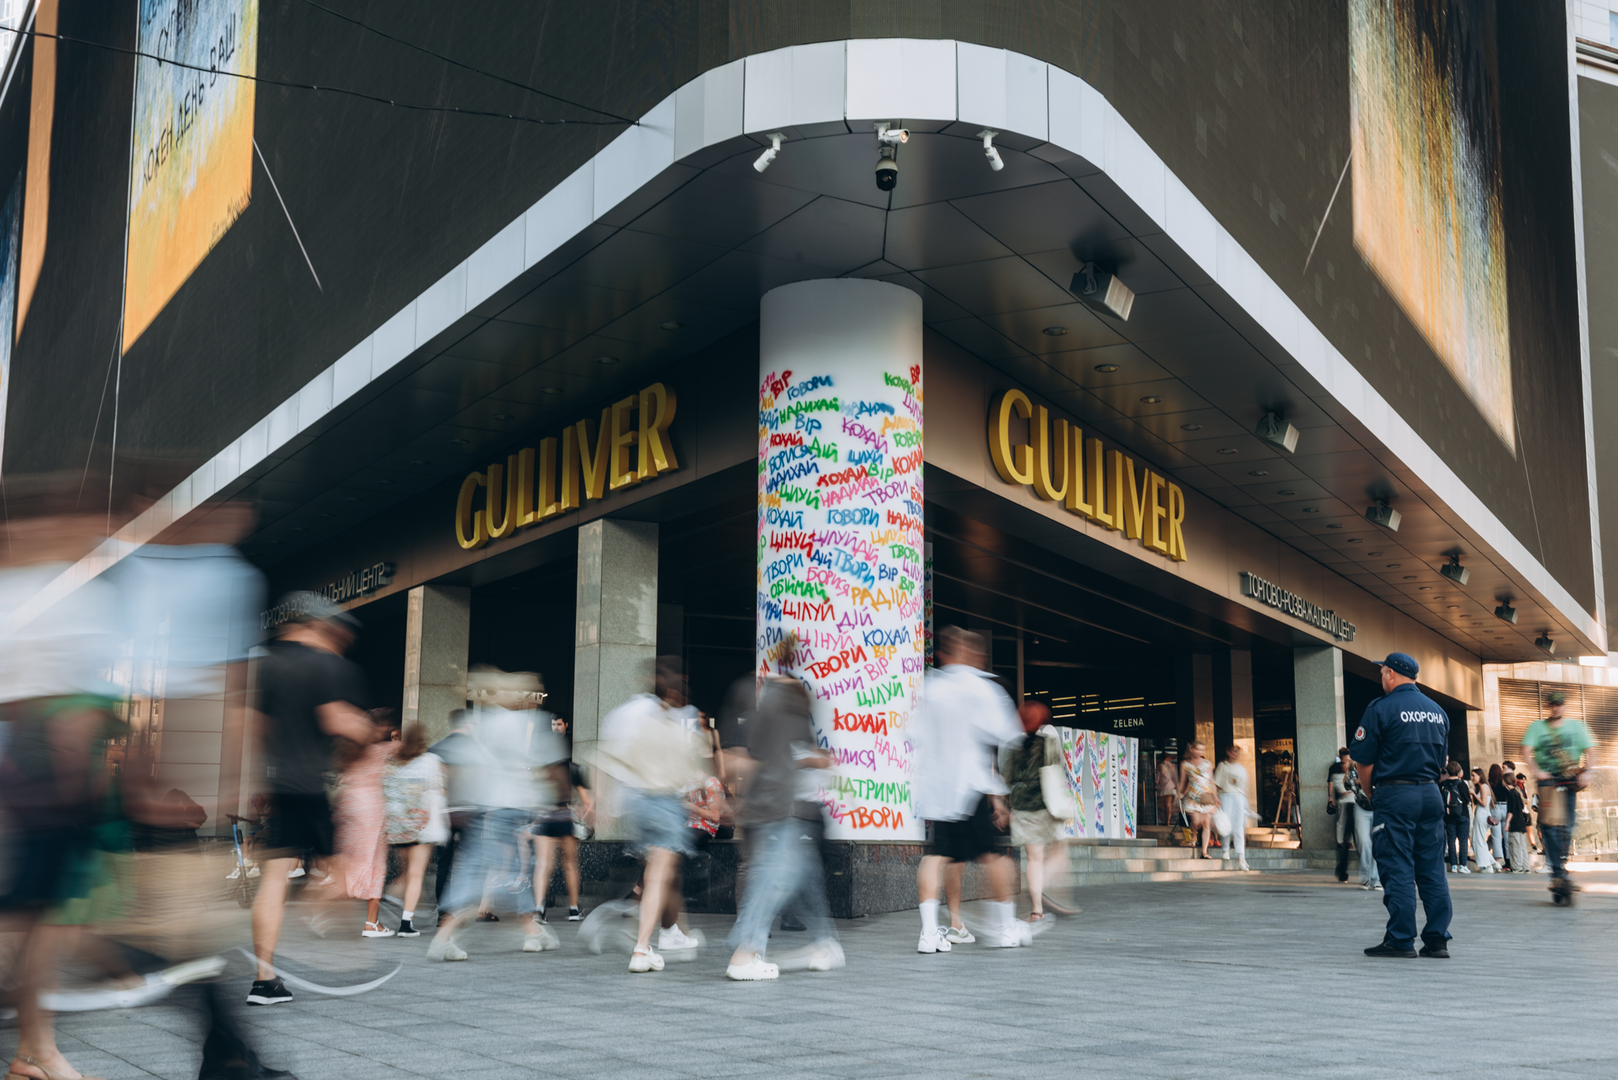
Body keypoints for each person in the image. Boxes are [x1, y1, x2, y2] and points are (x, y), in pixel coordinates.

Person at [247, 593, 376, 1006]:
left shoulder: (268, 664)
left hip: (279, 782)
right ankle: (315, 904)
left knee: (272, 880)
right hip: (309, 785)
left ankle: (263, 980)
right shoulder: (326, 665)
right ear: (323, 627)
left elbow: (257, 727)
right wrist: (365, 727)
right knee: (339, 873)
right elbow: (336, 720)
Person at [428, 667, 562, 960]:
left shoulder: (483, 724)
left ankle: (531, 931)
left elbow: (470, 766)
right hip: (515, 806)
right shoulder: (528, 722)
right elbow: (546, 766)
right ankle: (446, 936)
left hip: (487, 806)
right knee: (499, 870)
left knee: (504, 869)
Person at [913, 627, 1026, 953]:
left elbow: (913, 736)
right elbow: (1010, 737)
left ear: (944, 653)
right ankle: (1006, 927)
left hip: (937, 790)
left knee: (935, 857)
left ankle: (929, 933)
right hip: (971, 787)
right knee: (993, 856)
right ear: (972, 654)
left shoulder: (930, 688)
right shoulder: (982, 689)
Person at [723, 666, 840, 980]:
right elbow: (792, 756)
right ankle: (745, 951)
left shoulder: (760, 704)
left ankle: (821, 943)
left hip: (770, 805)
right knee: (777, 877)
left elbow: (753, 755)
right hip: (785, 807)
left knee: (796, 874)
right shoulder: (790, 706)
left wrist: (741, 799)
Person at [595, 658, 708, 973]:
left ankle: (652, 941)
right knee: (659, 878)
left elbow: (613, 762)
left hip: (641, 806)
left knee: (657, 877)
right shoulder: (678, 732)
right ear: (675, 695)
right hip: (665, 806)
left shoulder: (639, 726)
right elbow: (691, 780)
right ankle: (643, 946)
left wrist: (604, 805)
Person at [1349, 652, 1452, 959]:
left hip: (1396, 795)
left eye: (1382, 672)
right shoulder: (1437, 711)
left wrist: (1371, 794)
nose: (1381, 677)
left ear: (1391, 674)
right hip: (1431, 794)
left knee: (1397, 865)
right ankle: (1437, 940)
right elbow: (1443, 762)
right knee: (1433, 869)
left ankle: (1401, 938)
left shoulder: (1381, 708)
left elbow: (1363, 761)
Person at [1521, 690, 1595, 903]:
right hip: (1548, 784)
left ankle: (1559, 873)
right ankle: (1559, 874)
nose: (1556, 707)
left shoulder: (1576, 726)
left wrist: (1588, 771)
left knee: (1567, 827)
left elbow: (1591, 750)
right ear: (1549, 706)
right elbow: (1526, 751)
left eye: (1559, 704)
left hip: (1569, 782)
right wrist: (1537, 771)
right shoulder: (1537, 727)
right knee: (1550, 829)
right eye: (1552, 704)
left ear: (1564, 706)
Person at [1002, 701, 1070, 917]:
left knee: (1033, 858)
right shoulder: (1048, 742)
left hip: (1021, 808)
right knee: (1059, 850)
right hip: (1044, 805)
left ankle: (1036, 910)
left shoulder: (1013, 747)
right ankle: (1042, 887)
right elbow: (1057, 770)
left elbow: (1007, 776)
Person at [336, 710, 400, 937]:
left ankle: (332, 892)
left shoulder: (350, 751)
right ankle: (371, 923)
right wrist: (397, 737)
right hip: (372, 807)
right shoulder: (382, 751)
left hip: (351, 804)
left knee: (354, 859)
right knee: (375, 863)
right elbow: (411, 748)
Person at [382, 722, 449, 937]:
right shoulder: (431, 761)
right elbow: (439, 793)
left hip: (399, 827)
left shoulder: (392, 763)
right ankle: (405, 923)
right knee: (416, 874)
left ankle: (391, 897)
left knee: (405, 873)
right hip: (421, 828)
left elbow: (387, 793)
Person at [526, 716, 593, 924]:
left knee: (543, 865)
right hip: (564, 816)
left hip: (544, 817)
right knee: (570, 864)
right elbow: (586, 802)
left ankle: (539, 910)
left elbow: (532, 796)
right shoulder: (572, 768)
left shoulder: (540, 770)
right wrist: (582, 812)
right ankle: (573, 909)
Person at [1214, 744, 1255, 872]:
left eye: (1239, 752)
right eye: (1234, 751)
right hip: (1226, 796)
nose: (1237, 754)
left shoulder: (1242, 769)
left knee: (1239, 828)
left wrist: (1247, 804)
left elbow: (1244, 788)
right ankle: (1225, 849)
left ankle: (1241, 858)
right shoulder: (1223, 766)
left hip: (1239, 798)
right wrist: (1216, 799)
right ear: (1228, 752)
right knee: (1226, 825)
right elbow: (1216, 784)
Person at [1178, 742, 1219, 859]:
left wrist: (1215, 798)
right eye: (1198, 749)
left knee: (1206, 824)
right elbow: (1182, 782)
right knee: (1196, 821)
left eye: (1202, 750)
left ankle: (1204, 852)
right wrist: (1178, 795)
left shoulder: (1207, 764)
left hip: (1207, 796)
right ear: (1191, 749)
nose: (1200, 752)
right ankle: (1193, 834)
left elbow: (1211, 781)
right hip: (1193, 796)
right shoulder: (1185, 764)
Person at [1439, 762, 1471, 874]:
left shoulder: (1443, 784)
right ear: (1458, 772)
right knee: (1463, 840)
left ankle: (1453, 865)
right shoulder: (1462, 784)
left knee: (1451, 840)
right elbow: (1467, 800)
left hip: (1448, 815)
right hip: (1462, 815)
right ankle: (1462, 865)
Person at [1468, 767, 1497, 873]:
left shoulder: (1484, 787)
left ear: (1480, 776)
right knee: (1479, 840)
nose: (1472, 778)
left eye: (1473, 775)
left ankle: (1486, 865)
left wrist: (1474, 794)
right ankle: (1492, 862)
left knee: (1478, 841)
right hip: (1482, 815)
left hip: (1482, 815)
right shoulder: (1482, 787)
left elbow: (1484, 803)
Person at [1504, 773, 1533, 875]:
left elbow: (1511, 811)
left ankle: (1517, 867)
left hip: (1515, 823)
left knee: (1515, 845)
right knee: (1522, 845)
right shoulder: (1517, 793)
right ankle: (1525, 866)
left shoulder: (1511, 793)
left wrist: (1507, 823)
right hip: (1520, 822)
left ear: (1505, 781)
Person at [1487, 764, 1509, 866]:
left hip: (1495, 808)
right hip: (1505, 807)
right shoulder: (1504, 781)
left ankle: (1497, 861)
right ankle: (1509, 860)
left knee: (1496, 837)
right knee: (1507, 836)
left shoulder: (1490, 783)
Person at [1155, 752, 1180, 827]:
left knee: (1164, 805)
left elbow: (1157, 778)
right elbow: (1176, 778)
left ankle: (1166, 821)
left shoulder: (1160, 766)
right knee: (1168, 805)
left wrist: (1155, 786)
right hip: (1171, 787)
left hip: (1163, 787)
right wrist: (1177, 786)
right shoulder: (1173, 766)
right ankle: (1167, 821)